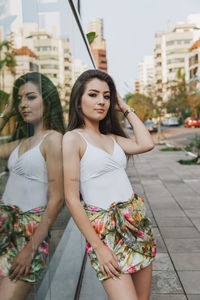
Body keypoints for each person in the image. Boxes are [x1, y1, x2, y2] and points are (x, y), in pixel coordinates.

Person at [63, 69, 156, 300]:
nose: (101, 101)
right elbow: (72, 199)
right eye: (93, 94)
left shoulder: (112, 138)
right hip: (104, 231)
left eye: (106, 96)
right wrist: (99, 248)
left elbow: (146, 143)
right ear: (78, 100)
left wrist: (124, 106)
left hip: (135, 221)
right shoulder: (73, 139)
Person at [0, 72, 65, 300]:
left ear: (47, 100)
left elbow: (57, 199)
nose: (22, 105)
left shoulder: (53, 140)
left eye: (30, 97)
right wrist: (6, 115)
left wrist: (30, 249)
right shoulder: (22, 142)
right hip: (3, 226)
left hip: (28, 234)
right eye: (19, 99)